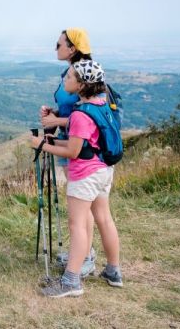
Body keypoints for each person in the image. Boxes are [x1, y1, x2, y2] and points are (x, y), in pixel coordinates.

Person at [31, 60, 122, 297]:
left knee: (78, 225)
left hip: (85, 175)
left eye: (70, 77)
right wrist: (52, 141)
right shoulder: (100, 105)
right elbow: (83, 145)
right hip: (103, 170)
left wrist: (42, 145)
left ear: (81, 85)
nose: (65, 80)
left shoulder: (81, 115)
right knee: (104, 218)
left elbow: (73, 152)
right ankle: (113, 271)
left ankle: (71, 281)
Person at [39, 28, 96, 276]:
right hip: (69, 139)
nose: (56, 48)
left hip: (77, 146)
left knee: (82, 208)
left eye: (59, 44)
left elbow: (86, 114)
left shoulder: (82, 73)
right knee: (82, 207)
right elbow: (72, 109)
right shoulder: (73, 71)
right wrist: (56, 113)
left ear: (72, 48)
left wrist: (55, 123)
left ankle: (84, 257)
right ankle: (82, 253)